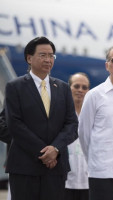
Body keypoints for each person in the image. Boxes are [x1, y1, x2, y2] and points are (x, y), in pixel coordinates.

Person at [4, 36, 78, 200]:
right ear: (29, 58)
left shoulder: (63, 88)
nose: (48, 59)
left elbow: (72, 124)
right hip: (25, 167)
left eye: (51, 55)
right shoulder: (15, 87)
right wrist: (44, 153)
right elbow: (14, 124)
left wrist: (55, 149)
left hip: (56, 168)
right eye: (43, 55)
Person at [78, 46, 113, 200]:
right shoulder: (94, 95)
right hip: (103, 172)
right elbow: (84, 133)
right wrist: (95, 160)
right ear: (107, 65)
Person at [65, 73, 90, 200]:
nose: (80, 90)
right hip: (65, 181)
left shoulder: (93, 115)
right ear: (69, 88)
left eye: (84, 87)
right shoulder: (60, 114)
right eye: (77, 86)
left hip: (88, 181)